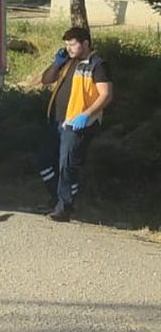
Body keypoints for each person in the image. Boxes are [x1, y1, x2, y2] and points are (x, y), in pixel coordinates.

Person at [37, 27, 113, 222]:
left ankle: (64, 207)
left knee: (67, 165)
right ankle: (57, 198)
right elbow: (46, 80)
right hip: (57, 121)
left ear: (85, 43)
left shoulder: (97, 65)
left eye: (72, 44)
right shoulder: (68, 61)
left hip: (77, 123)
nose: (68, 48)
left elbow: (106, 95)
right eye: (66, 45)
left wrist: (86, 115)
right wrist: (56, 64)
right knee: (45, 160)